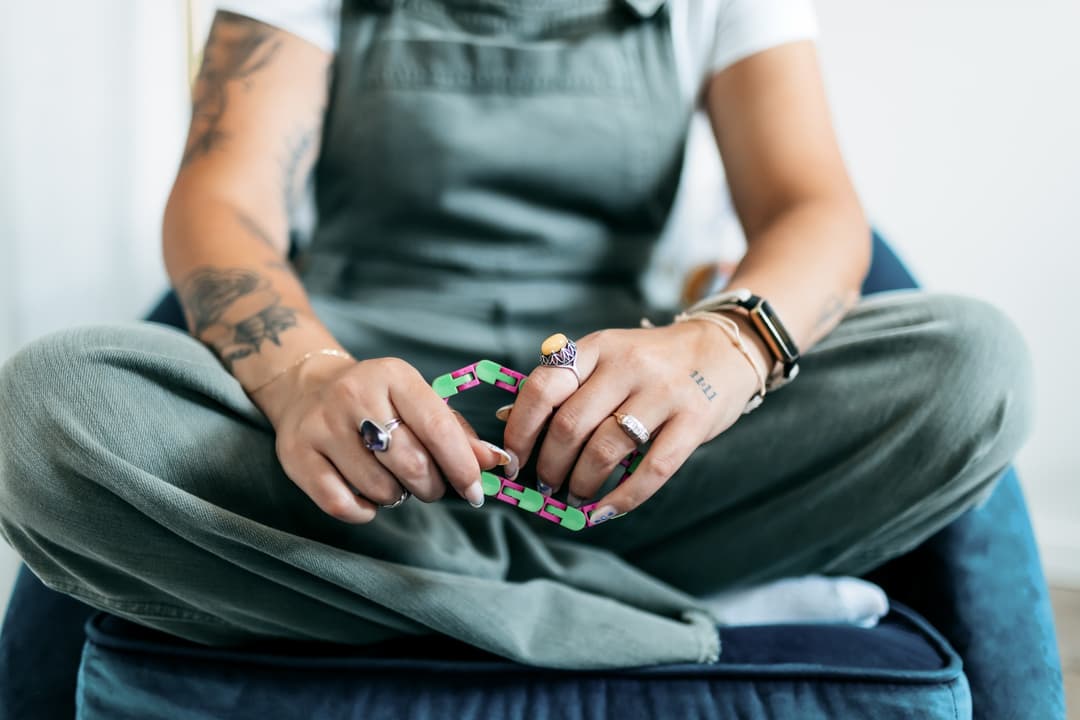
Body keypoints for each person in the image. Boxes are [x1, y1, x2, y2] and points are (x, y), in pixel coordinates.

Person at [0, 0, 1033, 669]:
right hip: (355, 462)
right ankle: (647, 620)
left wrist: (715, 352)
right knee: (48, 410)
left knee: (975, 368)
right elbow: (222, 198)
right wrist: (302, 381)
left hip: (620, 462)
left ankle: (412, 602)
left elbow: (817, 211)